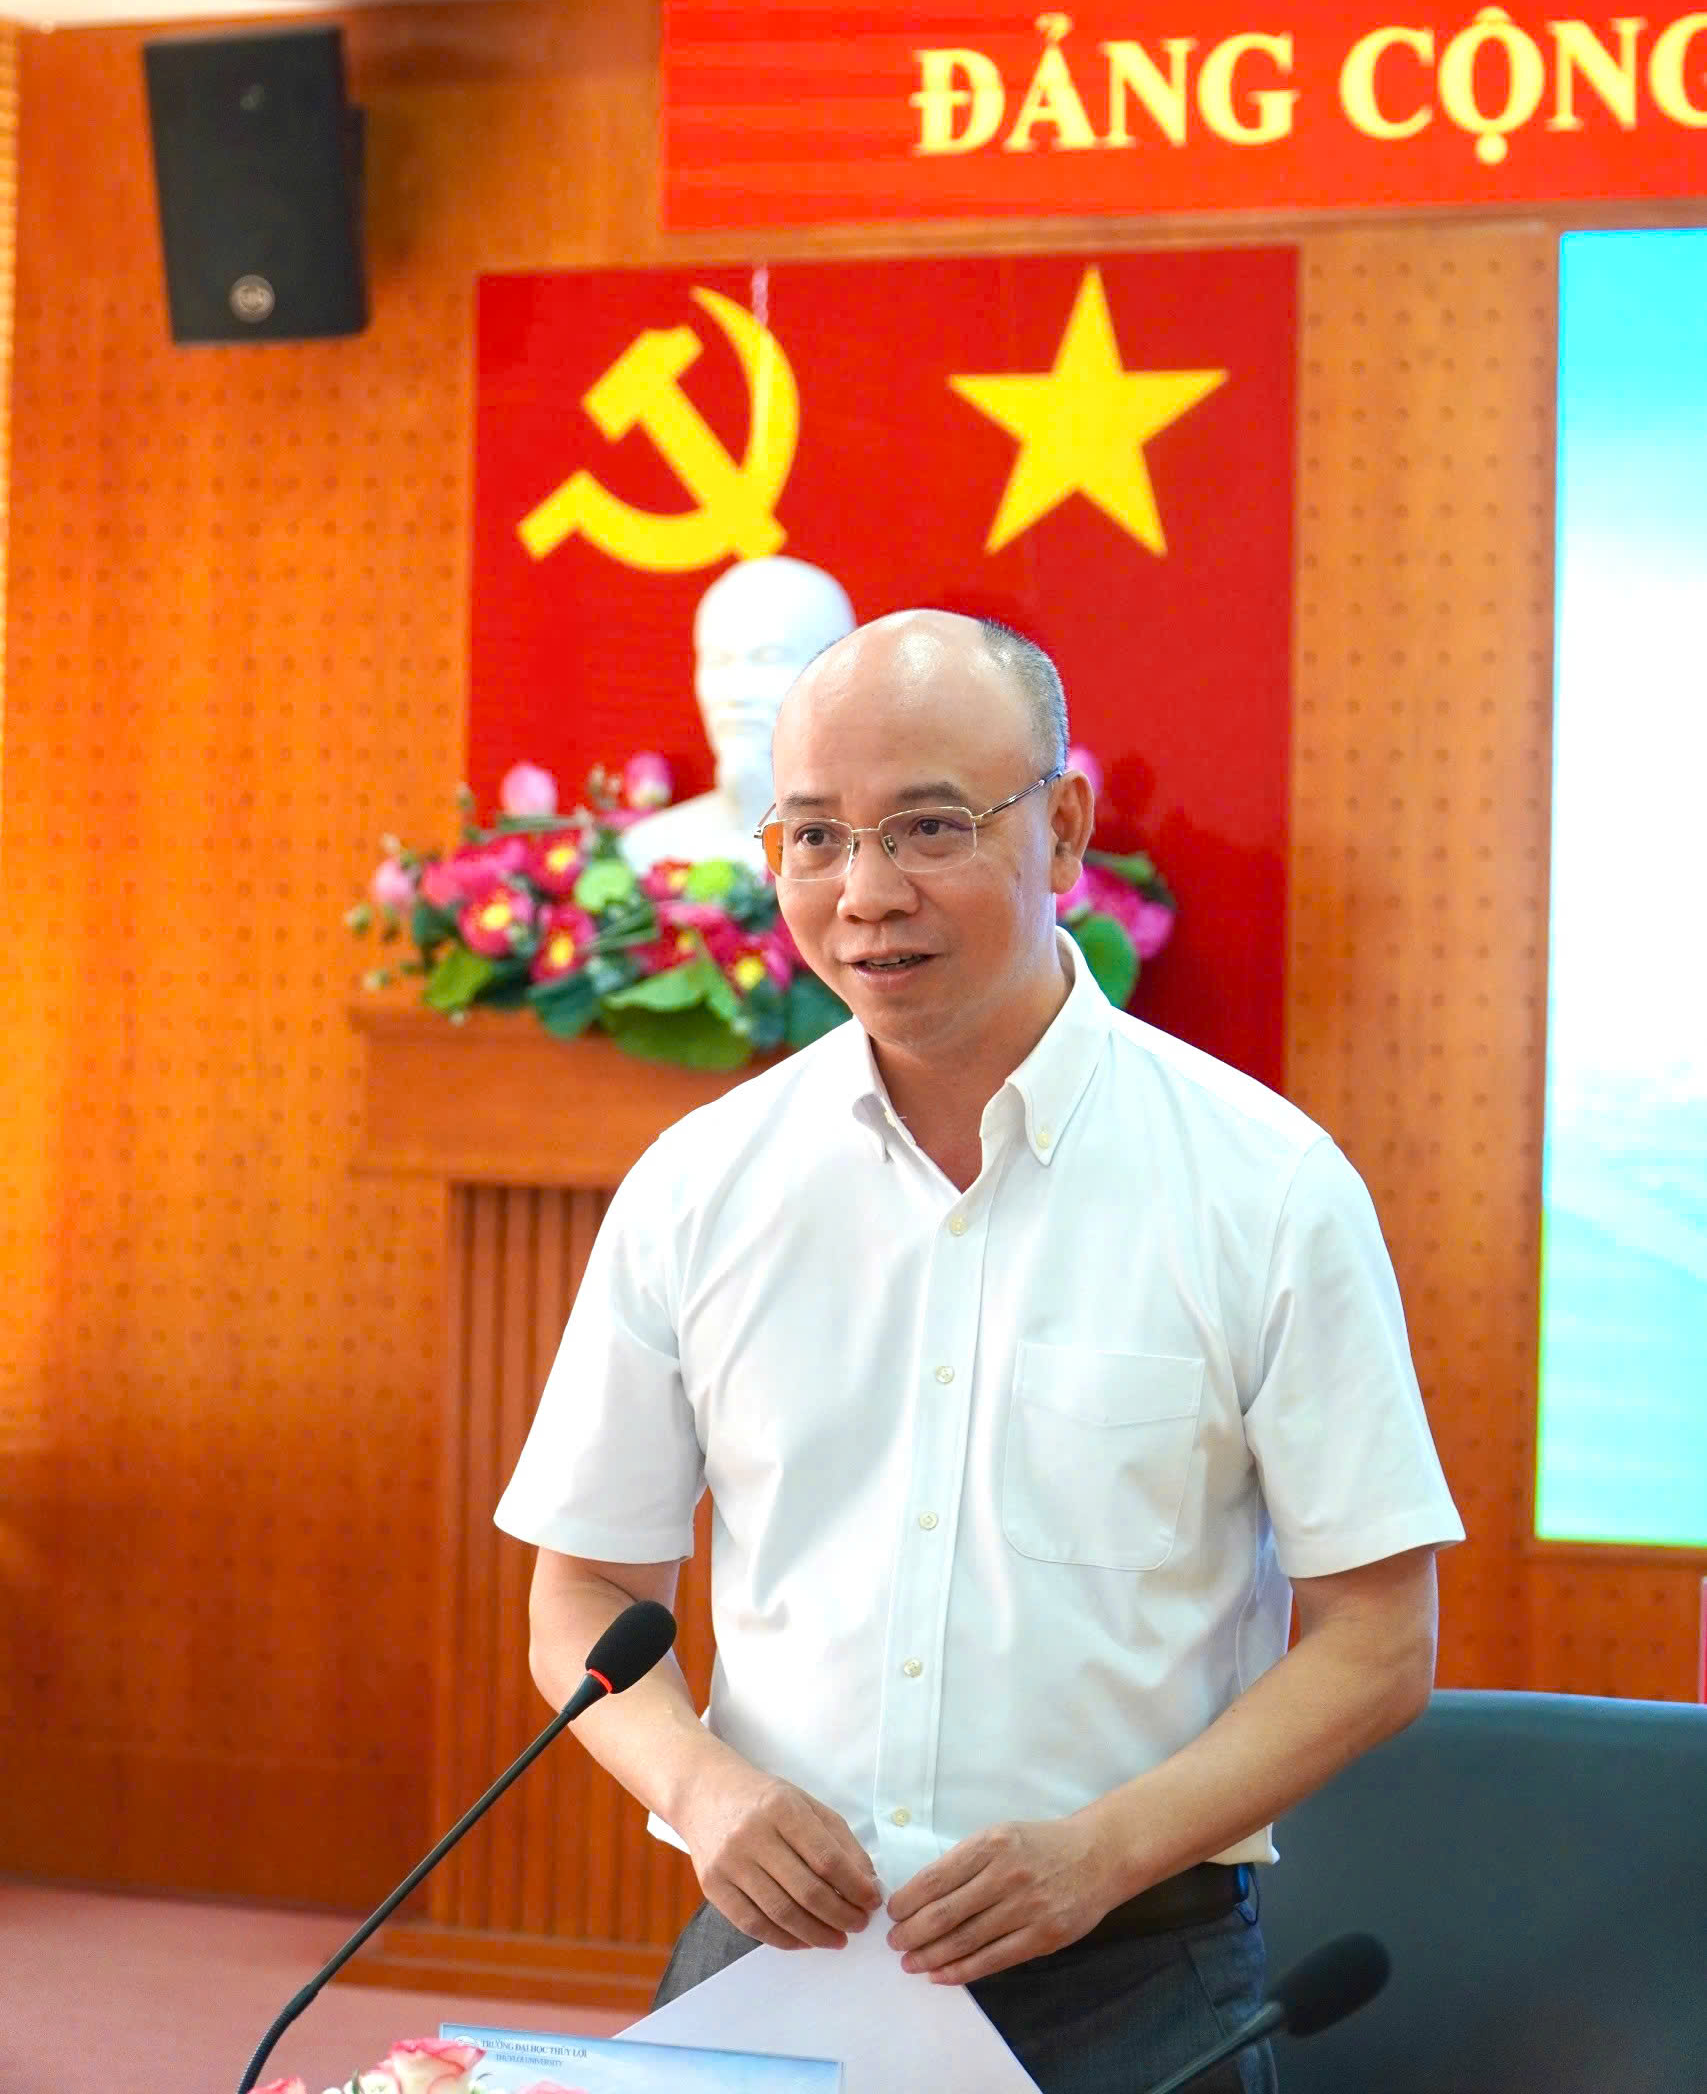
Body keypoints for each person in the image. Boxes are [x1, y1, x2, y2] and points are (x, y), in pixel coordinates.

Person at [496, 610, 1464, 2094]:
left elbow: (1378, 1638)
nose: (865, 894)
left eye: (927, 828)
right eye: (815, 837)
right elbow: (583, 1593)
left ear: (1061, 829)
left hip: (1132, 1976)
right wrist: (702, 1791)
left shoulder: (1264, 1185)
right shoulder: (700, 1185)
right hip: (774, 1967)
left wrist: (1105, 1851)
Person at [618, 555, 855, 875]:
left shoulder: (891, 850)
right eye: (718, 661)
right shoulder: (651, 851)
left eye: (768, 659)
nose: (736, 694)